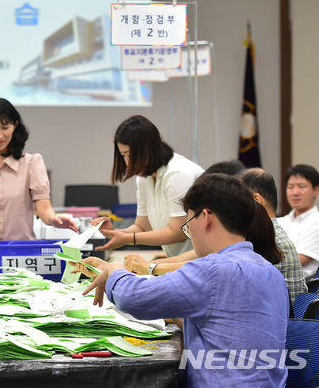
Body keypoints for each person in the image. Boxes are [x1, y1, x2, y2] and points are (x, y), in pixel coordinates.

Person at [77, 174, 288, 386]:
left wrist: (114, 270)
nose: (190, 234)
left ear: (205, 217)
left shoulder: (213, 270)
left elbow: (134, 297)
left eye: (187, 224)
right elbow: (223, 328)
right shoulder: (271, 273)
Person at [124, 168, 307, 303]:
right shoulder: (261, 234)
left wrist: (148, 269)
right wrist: (149, 266)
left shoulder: (260, 239)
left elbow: (203, 270)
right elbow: (198, 259)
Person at [0, 98, 77, 243]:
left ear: (15, 125)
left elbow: (44, 208)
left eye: (5, 127)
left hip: (22, 255)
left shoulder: (32, 163)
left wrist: (53, 219)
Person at [93, 115, 204, 257]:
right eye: (123, 156)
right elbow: (143, 227)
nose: (127, 163)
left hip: (202, 262)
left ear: (148, 149)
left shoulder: (178, 174)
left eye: (129, 154)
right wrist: (114, 233)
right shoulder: (144, 177)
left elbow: (179, 233)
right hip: (179, 261)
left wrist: (127, 238)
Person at [277, 164, 319, 278]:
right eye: (290, 187)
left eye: (301, 186)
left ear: (316, 190)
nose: (295, 192)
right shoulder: (279, 222)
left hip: (302, 291)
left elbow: (297, 262)